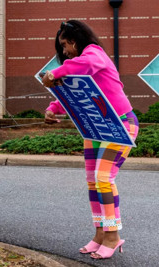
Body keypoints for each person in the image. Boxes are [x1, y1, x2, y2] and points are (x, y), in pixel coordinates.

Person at [41, 20, 139, 259]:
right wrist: (53, 108)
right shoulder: (76, 66)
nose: (64, 52)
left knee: (104, 178)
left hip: (120, 125)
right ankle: (100, 234)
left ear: (75, 41)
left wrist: (55, 72)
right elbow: (71, 92)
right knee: (93, 182)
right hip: (94, 127)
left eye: (65, 46)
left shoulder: (94, 54)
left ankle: (113, 236)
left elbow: (81, 64)